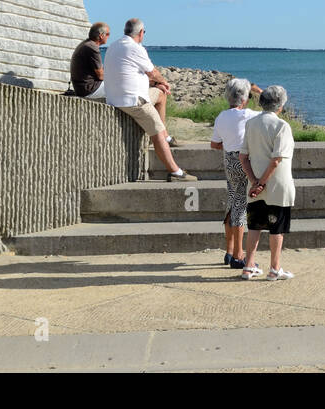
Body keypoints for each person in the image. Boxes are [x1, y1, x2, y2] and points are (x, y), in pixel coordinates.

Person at [104, 18, 196, 182]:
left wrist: (158, 86)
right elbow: (152, 72)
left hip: (114, 96)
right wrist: (164, 82)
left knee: (160, 94)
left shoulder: (114, 45)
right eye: (144, 32)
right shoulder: (135, 48)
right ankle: (176, 172)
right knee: (156, 130)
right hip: (133, 101)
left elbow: (131, 72)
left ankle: (168, 138)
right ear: (140, 33)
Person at [240, 85, 295, 280]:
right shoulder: (282, 126)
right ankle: (275, 268)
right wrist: (263, 183)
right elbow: (276, 160)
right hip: (277, 185)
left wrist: (255, 182)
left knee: (254, 226)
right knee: (276, 227)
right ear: (280, 105)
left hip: (254, 184)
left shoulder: (251, 124)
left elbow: (243, 157)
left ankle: (248, 266)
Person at [210, 77, 264, 269]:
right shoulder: (250, 115)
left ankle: (229, 250)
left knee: (233, 201)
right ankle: (239, 255)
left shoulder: (221, 116)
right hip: (244, 161)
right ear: (245, 98)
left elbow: (215, 144)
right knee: (241, 206)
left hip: (228, 161)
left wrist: (230, 143)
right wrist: (259, 91)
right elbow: (272, 109)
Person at [69, 22, 110, 99]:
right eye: (108, 34)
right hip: (89, 89)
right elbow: (101, 76)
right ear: (101, 36)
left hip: (81, 88)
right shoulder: (93, 48)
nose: (109, 37)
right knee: (120, 87)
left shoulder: (85, 44)